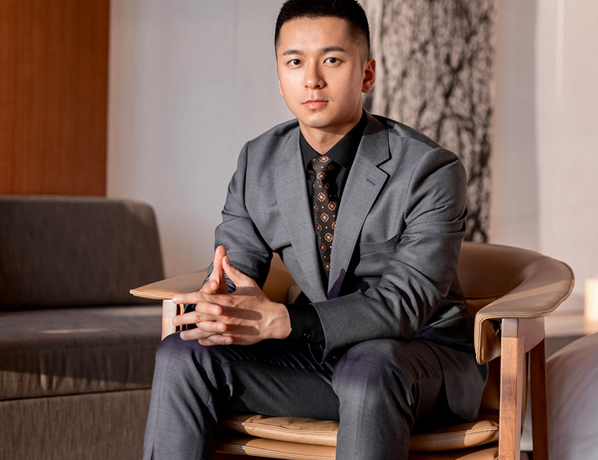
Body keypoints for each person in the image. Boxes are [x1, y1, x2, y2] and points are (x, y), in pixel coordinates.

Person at [143, 1, 487, 459]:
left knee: (366, 369)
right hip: (319, 360)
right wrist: (220, 301)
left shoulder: (429, 169)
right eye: (295, 62)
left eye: (332, 60)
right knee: (181, 355)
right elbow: (235, 266)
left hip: (417, 360)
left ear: (367, 74)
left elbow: (407, 303)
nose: (312, 79)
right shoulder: (258, 161)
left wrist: (285, 320)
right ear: (279, 76)